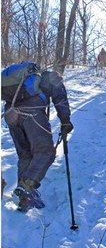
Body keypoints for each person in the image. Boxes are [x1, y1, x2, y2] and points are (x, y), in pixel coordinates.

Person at [1, 63, 73, 212]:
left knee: (25, 155)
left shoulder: (24, 78)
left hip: (10, 112)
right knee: (46, 152)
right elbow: (60, 97)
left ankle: (24, 199)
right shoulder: (51, 76)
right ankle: (25, 188)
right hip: (31, 112)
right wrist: (65, 120)